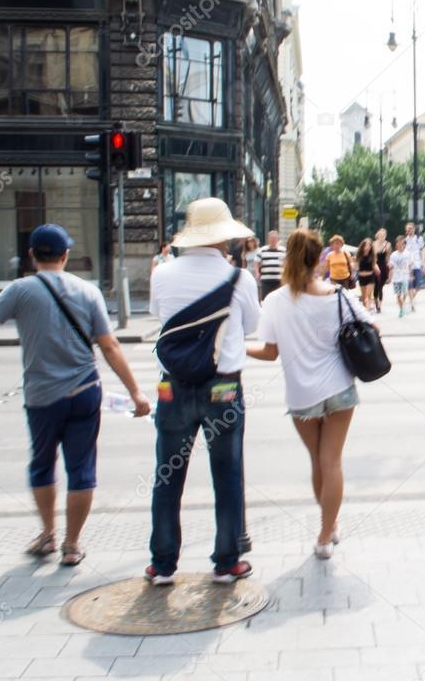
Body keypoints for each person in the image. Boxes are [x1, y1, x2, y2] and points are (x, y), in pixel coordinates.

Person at [0, 224, 151, 566]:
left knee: (42, 465)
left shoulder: (20, 290)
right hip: (86, 391)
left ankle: (48, 535)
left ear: (31, 256)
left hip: (42, 397)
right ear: (66, 255)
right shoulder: (88, 291)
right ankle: (72, 545)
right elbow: (110, 346)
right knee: (82, 468)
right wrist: (136, 393)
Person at [146, 198, 261, 585]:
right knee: (227, 474)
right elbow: (251, 327)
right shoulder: (240, 279)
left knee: (167, 474)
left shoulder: (162, 273)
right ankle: (226, 562)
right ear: (225, 239)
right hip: (224, 388)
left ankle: (162, 564)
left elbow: (156, 315)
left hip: (172, 387)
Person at [247, 230, 376, 559]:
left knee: (318, 461)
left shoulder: (276, 301)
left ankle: (328, 526)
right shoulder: (338, 295)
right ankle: (325, 534)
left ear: (288, 258)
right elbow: (372, 326)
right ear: (320, 258)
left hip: (301, 393)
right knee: (331, 461)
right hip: (340, 387)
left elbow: (269, 352)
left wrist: (238, 349)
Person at [256, 230, 286, 301]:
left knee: (279, 299)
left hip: (279, 280)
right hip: (266, 280)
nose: (273, 240)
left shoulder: (283, 250)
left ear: (277, 239)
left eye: (275, 238)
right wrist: (257, 273)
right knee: (265, 299)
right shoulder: (262, 250)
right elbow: (256, 262)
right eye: (271, 238)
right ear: (268, 239)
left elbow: (287, 263)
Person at [404, 222, 425, 311]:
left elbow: (422, 250)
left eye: (410, 228)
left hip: (417, 264)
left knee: (418, 286)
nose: (409, 230)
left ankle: (411, 299)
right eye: (407, 229)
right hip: (408, 266)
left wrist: (423, 261)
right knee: (410, 286)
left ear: (414, 229)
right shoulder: (405, 240)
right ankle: (412, 304)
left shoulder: (419, 239)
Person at [389, 236, 412, 317]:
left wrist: (411, 275)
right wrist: (389, 277)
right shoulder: (393, 255)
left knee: (405, 293)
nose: (399, 244)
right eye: (398, 242)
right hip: (396, 278)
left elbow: (410, 265)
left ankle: (402, 306)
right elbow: (391, 267)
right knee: (398, 295)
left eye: (401, 243)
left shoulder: (407, 254)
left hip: (405, 276)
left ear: (404, 244)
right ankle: (402, 309)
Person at [355, 238, 378, 310]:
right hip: (361, 277)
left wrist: (377, 269)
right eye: (366, 246)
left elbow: (374, 264)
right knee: (363, 297)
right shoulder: (359, 256)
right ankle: (365, 311)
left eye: (369, 246)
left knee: (368, 296)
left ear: (371, 247)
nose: (367, 247)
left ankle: (368, 311)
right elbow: (356, 266)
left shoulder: (372, 256)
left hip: (370, 277)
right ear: (362, 246)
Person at [372, 229, 392, 314]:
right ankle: (376, 303)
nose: (382, 236)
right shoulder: (374, 244)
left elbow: (388, 257)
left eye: (384, 235)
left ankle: (380, 305)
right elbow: (373, 257)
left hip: (383, 267)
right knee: (375, 287)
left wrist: (390, 269)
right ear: (378, 235)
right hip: (375, 266)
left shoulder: (388, 244)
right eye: (381, 234)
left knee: (380, 286)